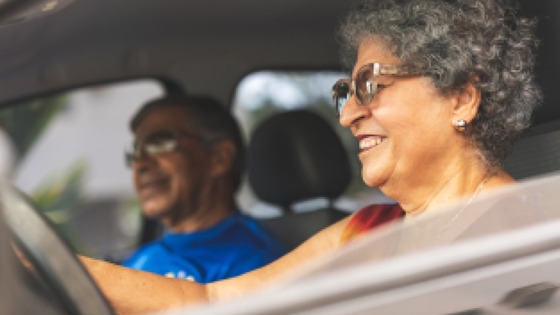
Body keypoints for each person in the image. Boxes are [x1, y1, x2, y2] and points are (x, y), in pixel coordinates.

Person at [81, 0, 542, 313]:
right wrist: (63, 269)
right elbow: (212, 298)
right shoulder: (367, 229)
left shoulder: (520, 243)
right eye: (347, 92)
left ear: (461, 98)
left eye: (371, 87)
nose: (349, 116)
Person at [120, 94, 286, 283]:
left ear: (219, 158)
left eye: (159, 144)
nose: (140, 164)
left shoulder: (255, 265)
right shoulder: (143, 258)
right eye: (135, 152)